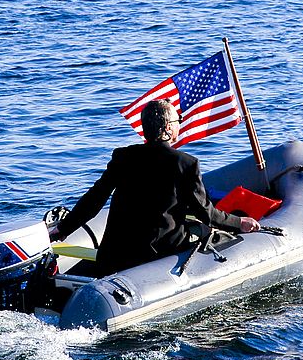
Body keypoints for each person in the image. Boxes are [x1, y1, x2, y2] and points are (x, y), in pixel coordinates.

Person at [49, 99, 261, 277]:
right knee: (201, 233)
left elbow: (94, 198)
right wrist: (238, 222)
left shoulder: (123, 157)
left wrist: (64, 229)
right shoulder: (185, 164)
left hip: (115, 253)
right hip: (156, 255)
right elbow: (205, 213)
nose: (180, 125)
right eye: (178, 121)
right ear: (168, 128)